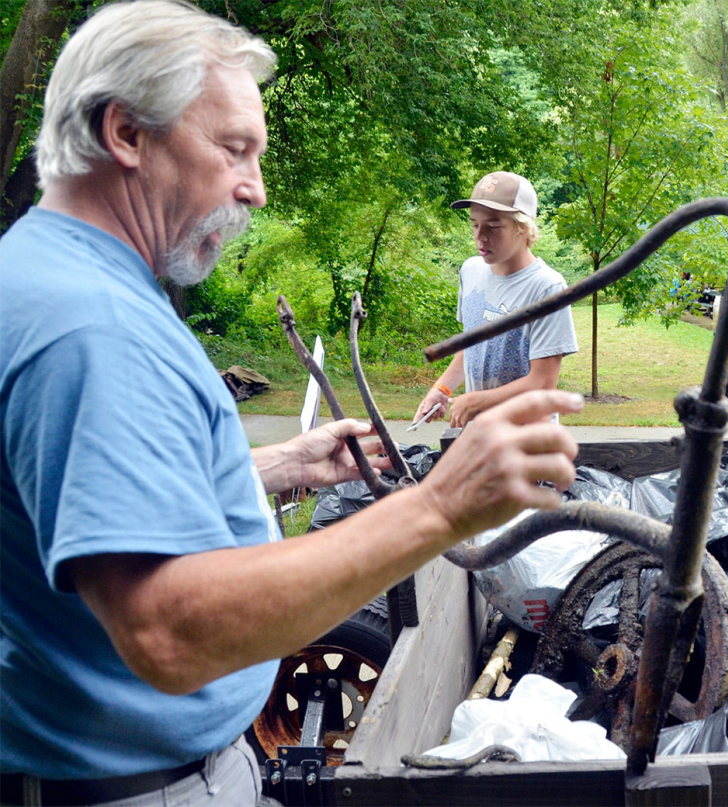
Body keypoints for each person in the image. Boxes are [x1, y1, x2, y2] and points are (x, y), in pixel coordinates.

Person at [0, 3, 584, 803]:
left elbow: (83, 495)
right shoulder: (91, 326)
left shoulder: (46, 272)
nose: (258, 188)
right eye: (235, 149)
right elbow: (166, 630)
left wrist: (275, 466)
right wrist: (439, 510)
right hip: (143, 785)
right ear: (126, 133)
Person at [416, 171, 579, 428]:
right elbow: (471, 348)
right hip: (480, 438)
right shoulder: (470, 271)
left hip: (531, 444)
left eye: (493, 226)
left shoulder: (547, 287)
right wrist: (442, 388)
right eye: (474, 224)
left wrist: (477, 401)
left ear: (523, 227)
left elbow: (543, 383)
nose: (480, 236)